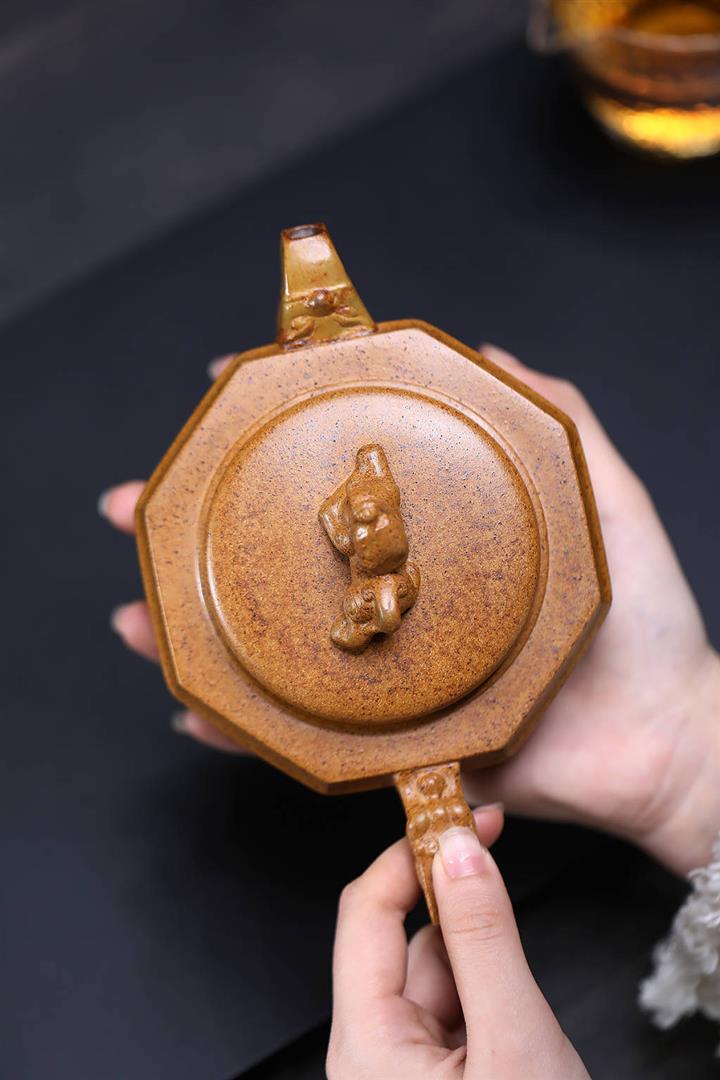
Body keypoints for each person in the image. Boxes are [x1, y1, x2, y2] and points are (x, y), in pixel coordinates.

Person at [100, 345, 720, 1077]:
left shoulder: (392, 565)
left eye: (370, 520)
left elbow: (373, 579)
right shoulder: (360, 553)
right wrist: (687, 757)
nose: (358, 537)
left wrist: (689, 747)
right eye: (354, 524)